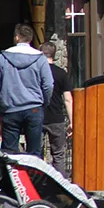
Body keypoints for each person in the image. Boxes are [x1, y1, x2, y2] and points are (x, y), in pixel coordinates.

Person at [0, 24, 54, 155]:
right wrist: (44, 101)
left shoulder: (3, 58)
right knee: (35, 151)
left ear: (16, 37)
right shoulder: (40, 58)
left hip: (10, 108)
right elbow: (48, 85)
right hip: (34, 107)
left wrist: (1, 104)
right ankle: (33, 175)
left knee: (9, 153)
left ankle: (13, 175)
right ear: (30, 39)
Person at [40, 42, 75, 178]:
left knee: (36, 154)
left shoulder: (37, 71)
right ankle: (60, 186)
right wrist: (72, 121)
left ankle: (37, 184)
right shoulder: (61, 73)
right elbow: (68, 99)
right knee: (59, 155)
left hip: (38, 117)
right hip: (56, 118)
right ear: (54, 55)